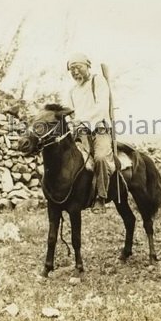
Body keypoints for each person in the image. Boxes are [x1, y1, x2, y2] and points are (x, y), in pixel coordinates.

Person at [64, 52, 114, 213]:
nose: (75, 72)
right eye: (72, 69)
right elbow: (70, 113)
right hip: (81, 132)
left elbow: (101, 107)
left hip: (100, 129)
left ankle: (101, 197)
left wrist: (81, 119)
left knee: (99, 158)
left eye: (78, 67)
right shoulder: (72, 91)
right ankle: (71, 196)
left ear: (87, 66)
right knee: (71, 160)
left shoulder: (97, 81)